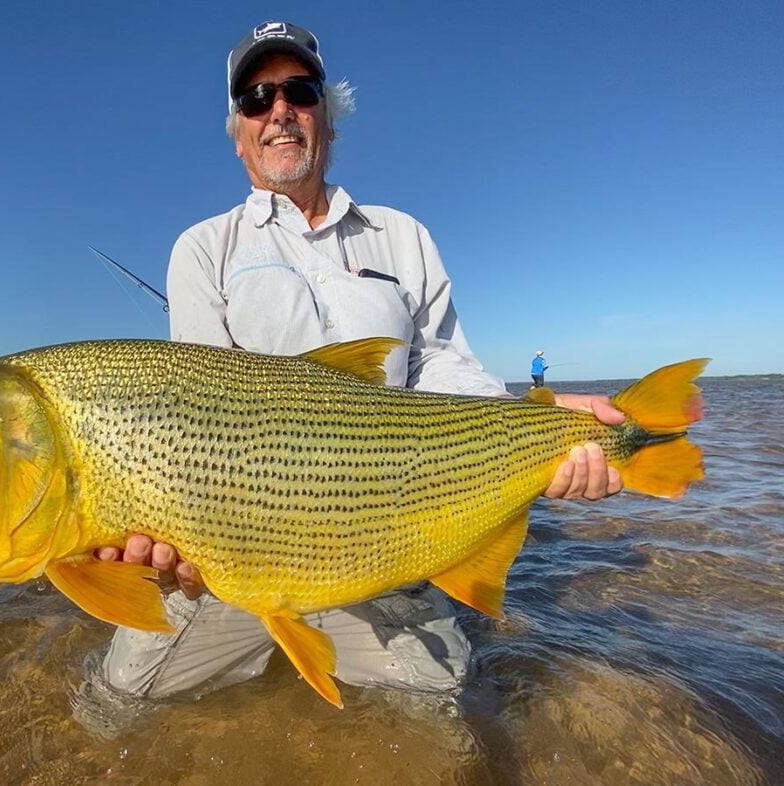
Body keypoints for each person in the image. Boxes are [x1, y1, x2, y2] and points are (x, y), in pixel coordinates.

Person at [95, 21, 624, 701]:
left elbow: (441, 367)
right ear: (238, 133)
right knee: (118, 697)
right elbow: (196, 412)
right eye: (257, 98)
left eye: (300, 91)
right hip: (238, 545)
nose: (279, 110)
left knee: (447, 702)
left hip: (383, 531)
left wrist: (541, 427)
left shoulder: (403, 236)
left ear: (329, 119)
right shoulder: (201, 249)